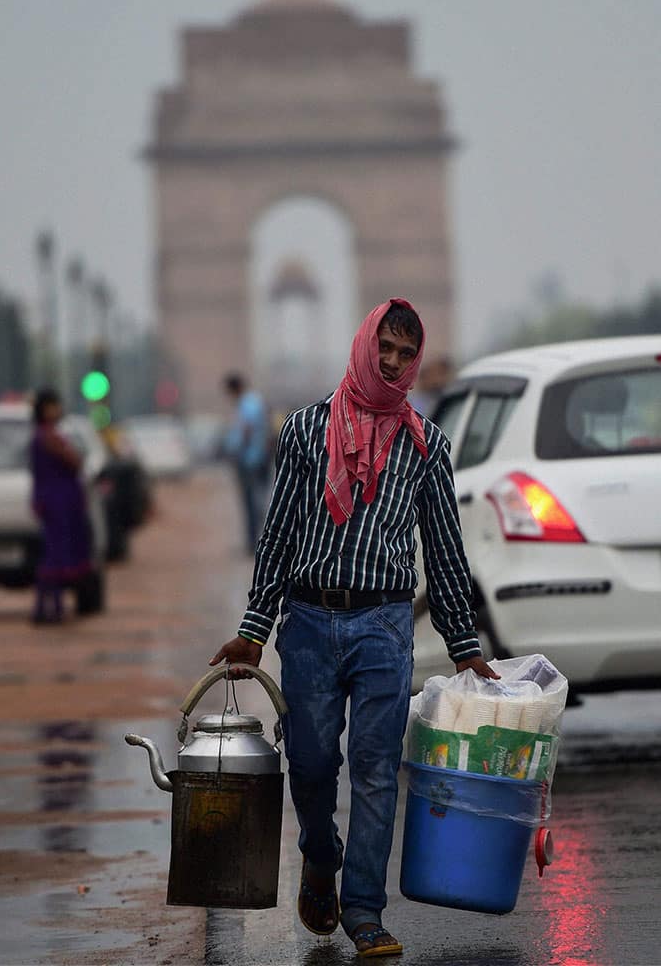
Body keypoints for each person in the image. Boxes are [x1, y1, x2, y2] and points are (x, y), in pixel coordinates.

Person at [211, 299, 498, 958]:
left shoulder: (428, 447)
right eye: (384, 349)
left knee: (373, 772)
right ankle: (320, 855)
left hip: (383, 625)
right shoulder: (308, 430)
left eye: (405, 354)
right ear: (364, 345)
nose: (392, 363)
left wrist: (464, 646)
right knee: (310, 766)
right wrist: (254, 628)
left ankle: (363, 910)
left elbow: (447, 553)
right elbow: (278, 535)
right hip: (307, 622)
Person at [29, 388, 93, 624]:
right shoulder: (48, 436)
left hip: (56, 500)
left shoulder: (44, 435)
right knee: (56, 557)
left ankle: (49, 608)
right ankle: (49, 609)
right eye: (53, 406)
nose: (58, 410)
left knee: (53, 555)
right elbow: (73, 461)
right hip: (59, 502)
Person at [222, 373, 271, 553]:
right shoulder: (254, 401)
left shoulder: (247, 403)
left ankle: (254, 544)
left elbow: (246, 430)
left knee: (252, 504)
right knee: (256, 502)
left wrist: (237, 451)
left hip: (250, 460)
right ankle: (257, 542)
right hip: (258, 458)